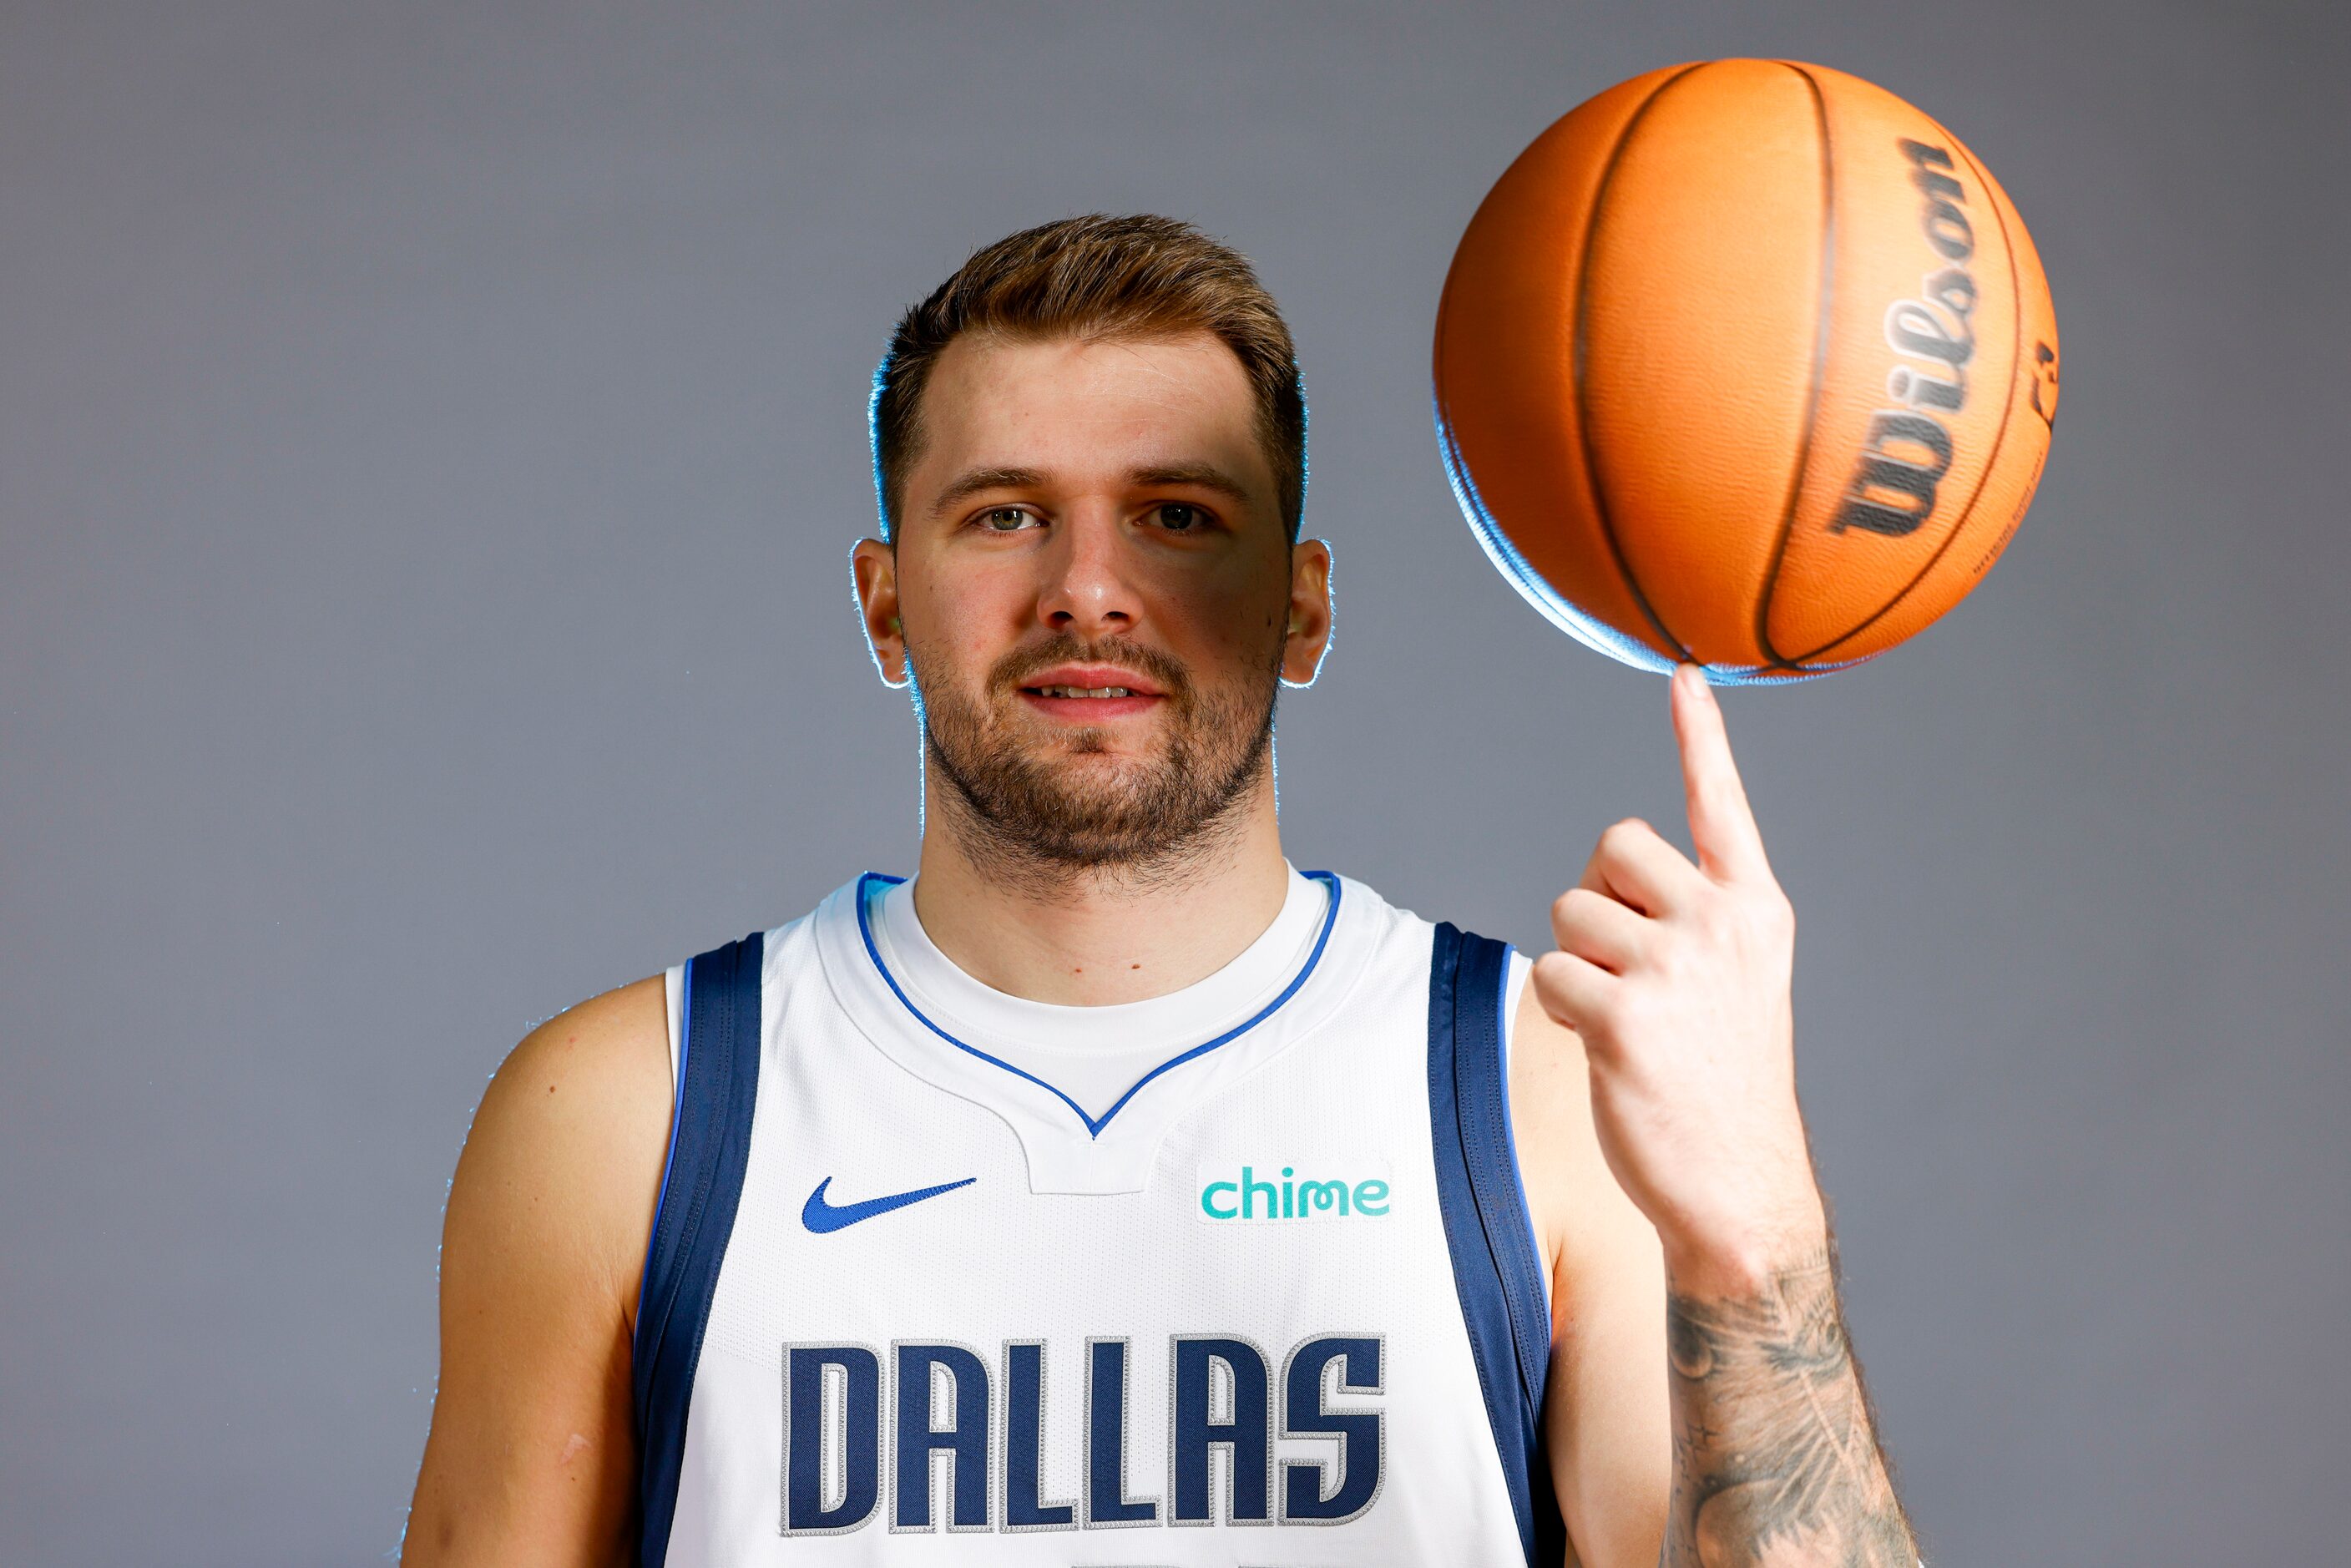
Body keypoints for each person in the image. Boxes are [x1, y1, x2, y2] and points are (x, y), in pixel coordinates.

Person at [402, 214, 1919, 1567]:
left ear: (1304, 605)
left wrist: (1758, 1236)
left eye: (1177, 516)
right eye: (1004, 514)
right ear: (883, 603)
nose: (1088, 588)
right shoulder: (631, 1112)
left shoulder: (1536, 1094)